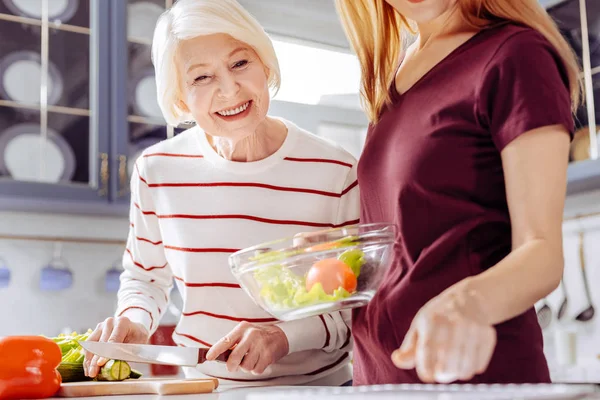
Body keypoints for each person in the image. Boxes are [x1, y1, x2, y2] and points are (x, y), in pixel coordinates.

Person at [82, 0, 358, 386]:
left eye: (240, 64)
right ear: (180, 99)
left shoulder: (336, 170)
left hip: (319, 390)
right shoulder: (156, 171)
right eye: (201, 78)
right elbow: (145, 278)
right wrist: (134, 320)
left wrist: (284, 336)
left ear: (265, 65)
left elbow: (354, 309)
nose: (229, 90)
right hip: (203, 388)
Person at [334, 0, 579, 385]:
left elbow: (542, 253)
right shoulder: (392, 76)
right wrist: (335, 261)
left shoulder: (516, 54)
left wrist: (465, 304)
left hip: (475, 379)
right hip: (380, 379)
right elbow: (407, 244)